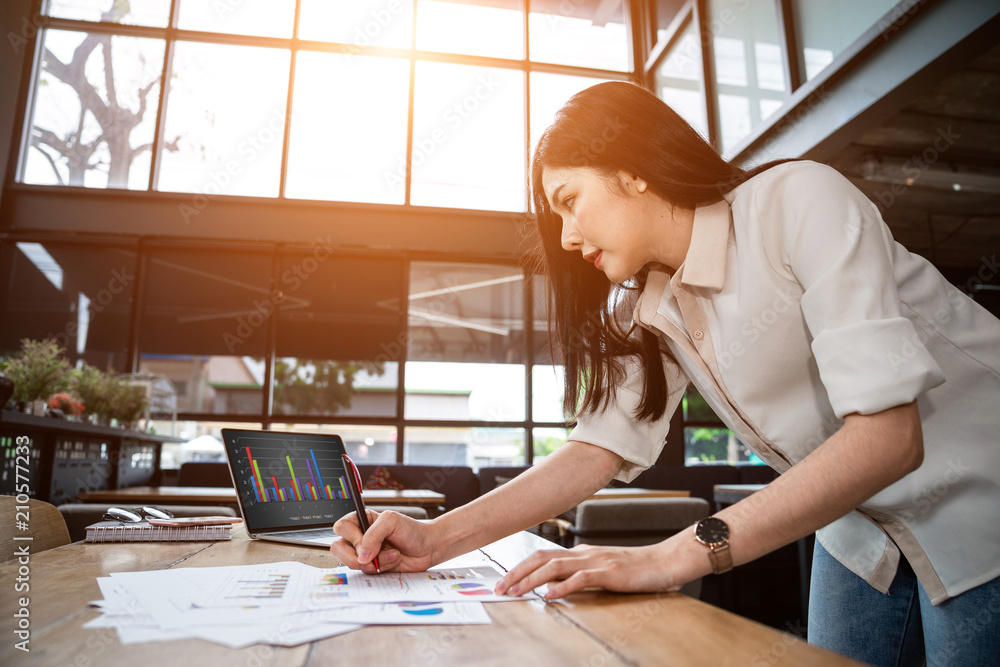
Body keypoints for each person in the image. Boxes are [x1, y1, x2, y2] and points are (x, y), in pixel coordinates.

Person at [332, 81, 1000, 665]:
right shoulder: (645, 302)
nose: (565, 237)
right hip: (860, 524)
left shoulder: (800, 200)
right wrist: (434, 537)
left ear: (633, 170)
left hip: (981, 499)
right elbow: (596, 448)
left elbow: (888, 438)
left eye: (570, 199)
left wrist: (666, 556)